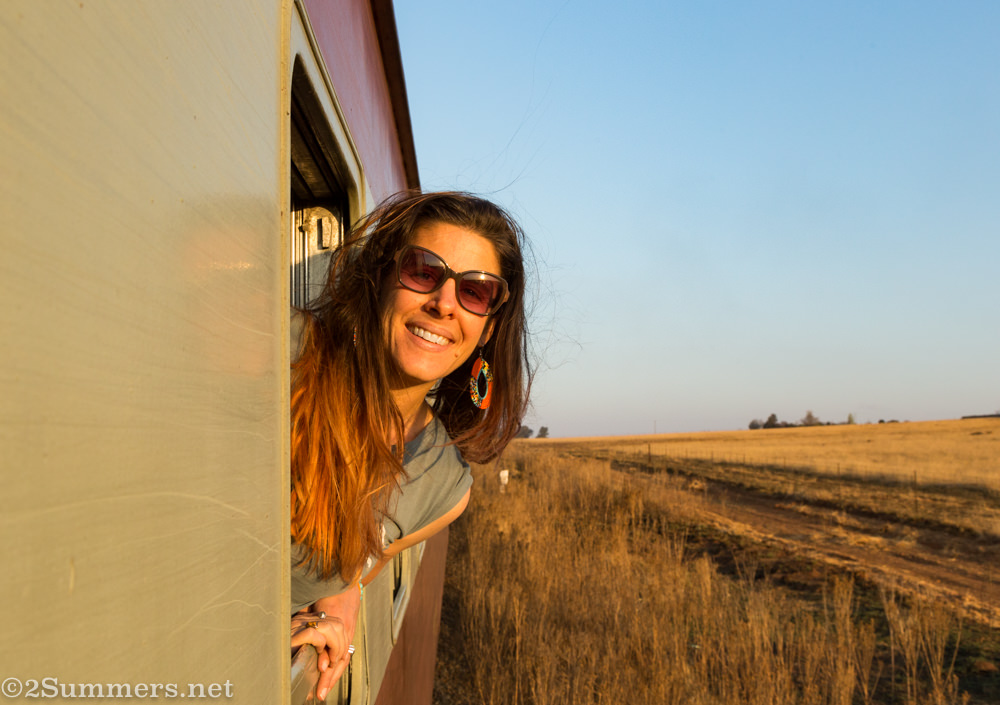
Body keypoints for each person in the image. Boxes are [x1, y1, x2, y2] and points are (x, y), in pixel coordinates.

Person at [287, 191, 531, 700]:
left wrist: (336, 609)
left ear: (487, 328)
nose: (444, 303)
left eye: (476, 292)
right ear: (380, 280)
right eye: (423, 271)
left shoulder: (444, 488)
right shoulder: (284, 354)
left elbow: (343, 579)